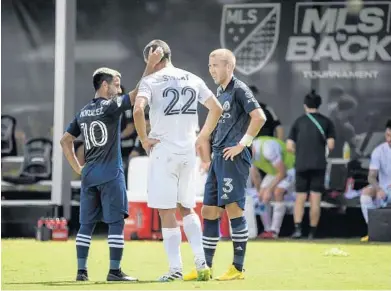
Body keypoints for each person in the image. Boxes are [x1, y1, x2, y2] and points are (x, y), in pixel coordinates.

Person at [133, 40, 223, 282]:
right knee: (187, 207)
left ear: (154, 58)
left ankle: (175, 269)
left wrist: (143, 139)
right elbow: (216, 108)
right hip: (187, 151)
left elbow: (137, 109)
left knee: (167, 211)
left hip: (163, 150)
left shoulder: (150, 81)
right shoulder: (192, 77)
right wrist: (202, 136)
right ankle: (202, 261)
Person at [184, 48, 266, 281]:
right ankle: (206, 267)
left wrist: (242, 145)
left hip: (233, 158)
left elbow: (259, 117)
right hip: (218, 158)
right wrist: (207, 159)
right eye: (209, 66)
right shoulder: (219, 93)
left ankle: (237, 268)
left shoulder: (239, 89)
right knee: (208, 211)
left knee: (233, 209)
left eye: (216, 65)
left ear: (229, 66)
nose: (211, 70)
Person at [60, 67, 142, 282]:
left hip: (89, 175)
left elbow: (65, 140)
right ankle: (114, 271)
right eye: (116, 83)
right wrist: (150, 66)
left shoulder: (83, 111)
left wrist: (78, 168)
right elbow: (135, 94)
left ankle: (81, 272)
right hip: (111, 174)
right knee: (116, 223)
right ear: (104, 85)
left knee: (86, 225)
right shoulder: (111, 106)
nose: (119, 87)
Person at [287, 90, 336, 239]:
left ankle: (297, 229)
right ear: (319, 105)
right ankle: (312, 232)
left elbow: (289, 146)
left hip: (301, 164)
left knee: (300, 197)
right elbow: (331, 144)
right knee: (316, 198)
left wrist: (301, 151)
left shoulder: (298, 122)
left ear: (305, 105)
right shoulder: (327, 122)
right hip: (319, 164)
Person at [250, 136, 295, 239]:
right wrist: (259, 191)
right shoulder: (245, 154)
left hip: (289, 168)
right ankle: (267, 229)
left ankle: (274, 231)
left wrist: (269, 189)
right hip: (274, 172)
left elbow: (282, 172)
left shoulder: (267, 149)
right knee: (261, 197)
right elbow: (255, 175)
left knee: (278, 192)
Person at [359, 120, 391, 242]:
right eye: (388, 135)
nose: (389, 139)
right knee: (365, 193)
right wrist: (378, 189)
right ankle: (373, 230)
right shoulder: (378, 151)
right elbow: (371, 176)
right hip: (384, 189)